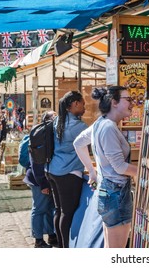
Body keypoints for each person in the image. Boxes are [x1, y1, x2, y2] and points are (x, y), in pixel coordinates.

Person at [73, 86, 137, 248]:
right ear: (114, 102)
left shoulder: (100, 124)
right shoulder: (108, 127)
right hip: (116, 194)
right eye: (128, 99)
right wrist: (146, 173)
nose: (132, 103)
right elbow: (120, 167)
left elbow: (78, 143)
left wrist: (93, 172)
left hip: (109, 192)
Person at [46, 91, 88, 248]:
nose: (85, 107)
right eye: (83, 103)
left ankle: (61, 246)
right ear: (75, 104)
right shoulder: (79, 126)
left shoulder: (58, 121)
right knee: (67, 212)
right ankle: (66, 249)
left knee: (59, 210)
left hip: (53, 170)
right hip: (68, 172)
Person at [23, 111, 58, 248]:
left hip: (45, 178)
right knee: (39, 209)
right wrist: (43, 183)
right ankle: (38, 240)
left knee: (49, 208)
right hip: (38, 180)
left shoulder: (49, 135)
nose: (57, 119)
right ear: (48, 121)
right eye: (54, 117)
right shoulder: (41, 135)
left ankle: (51, 236)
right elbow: (36, 163)